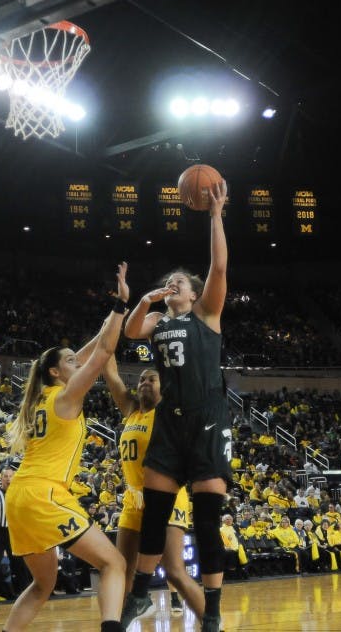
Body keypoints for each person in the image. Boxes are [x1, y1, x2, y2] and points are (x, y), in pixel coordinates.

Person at [120, 180, 229, 632]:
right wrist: (145, 298)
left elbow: (219, 266)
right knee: (155, 513)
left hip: (206, 421)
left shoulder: (206, 314)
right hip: (170, 423)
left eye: (177, 283)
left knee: (206, 523)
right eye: (169, 284)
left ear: (194, 293)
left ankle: (214, 610)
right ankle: (141, 593)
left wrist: (215, 215)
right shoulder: (160, 321)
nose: (171, 286)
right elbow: (129, 332)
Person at [2, 263, 130, 632]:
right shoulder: (67, 395)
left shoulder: (43, 395)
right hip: (44, 493)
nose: (80, 362)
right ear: (58, 372)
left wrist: (112, 309)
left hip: (20, 496)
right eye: (72, 361)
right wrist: (121, 307)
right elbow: (104, 351)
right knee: (113, 563)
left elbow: (90, 347)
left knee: (43, 584)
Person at [102, 355, 206, 622]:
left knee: (174, 571)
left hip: (167, 495)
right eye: (141, 379)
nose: (145, 382)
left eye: (152, 379)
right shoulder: (132, 410)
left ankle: (211, 620)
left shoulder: (170, 412)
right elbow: (111, 373)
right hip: (133, 498)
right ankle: (124, 618)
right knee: (121, 567)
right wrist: (109, 336)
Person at [0, 467, 27, 609]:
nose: (8, 478)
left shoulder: (20, 495)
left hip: (14, 531)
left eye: (10, 476)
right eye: (5, 476)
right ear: (1, 478)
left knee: (20, 566)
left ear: (14, 478)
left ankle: (25, 598)